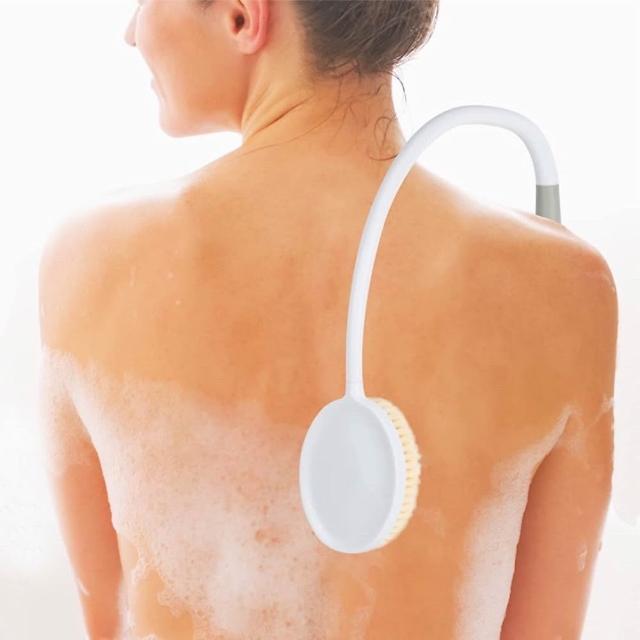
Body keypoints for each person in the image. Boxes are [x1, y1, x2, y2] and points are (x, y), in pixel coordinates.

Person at [36, 1, 618, 639]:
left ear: (241, 16)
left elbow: (112, 623)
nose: (130, 32)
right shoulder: (562, 283)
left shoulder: (94, 261)